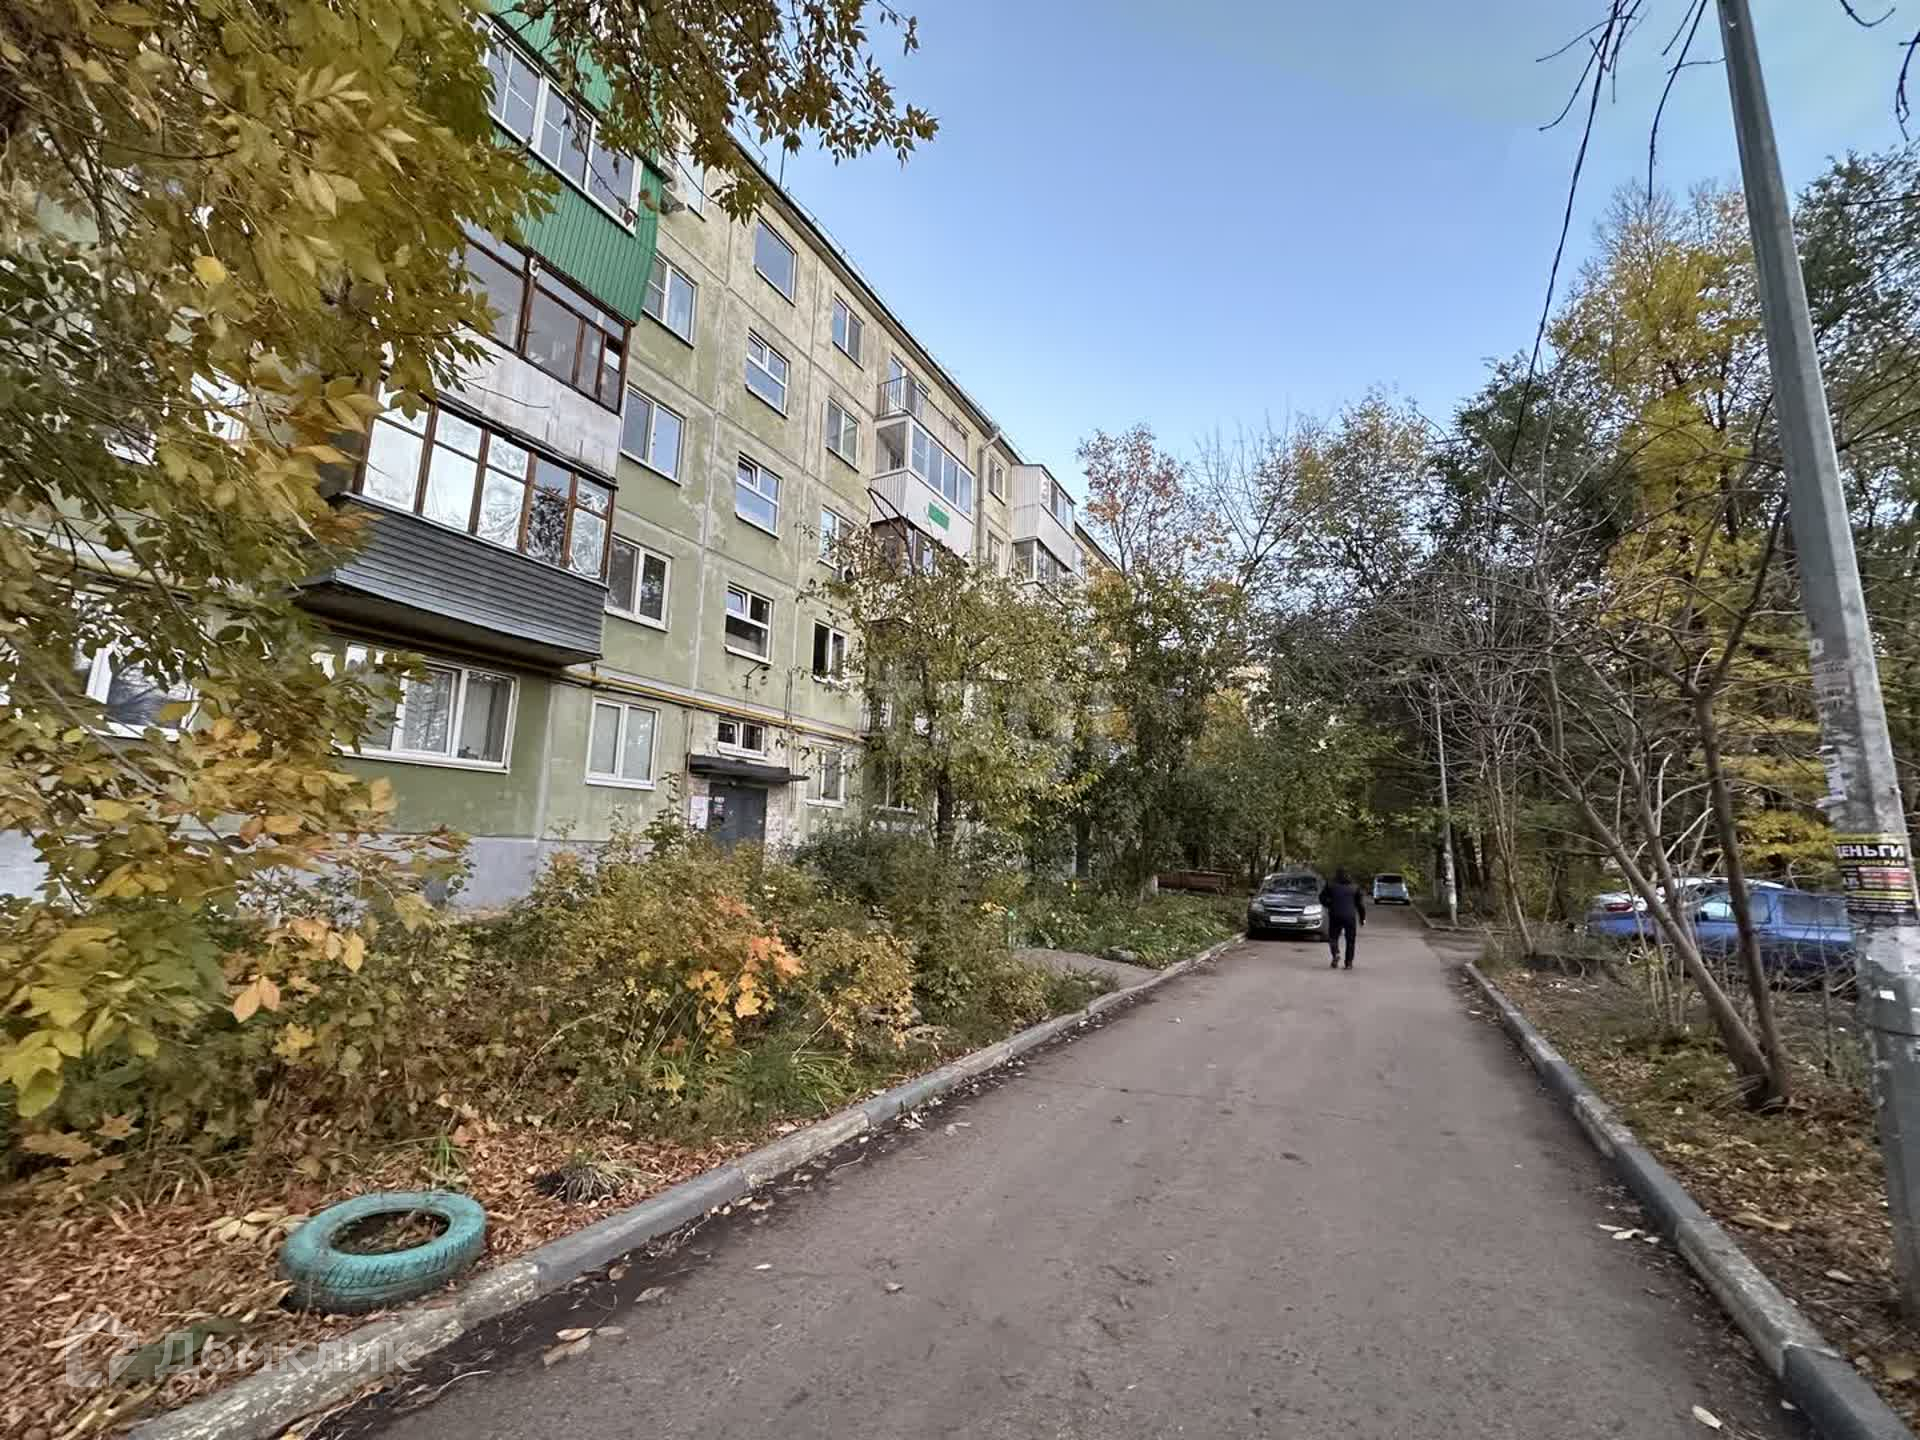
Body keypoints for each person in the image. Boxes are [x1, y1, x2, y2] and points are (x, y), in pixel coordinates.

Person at [1320, 867, 1366, 969]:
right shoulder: (1355, 887)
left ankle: (1336, 953)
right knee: (1350, 940)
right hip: (1350, 916)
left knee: (1333, 937)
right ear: (1349, 875)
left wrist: (1330, 904)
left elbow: (1322, 898)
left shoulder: (1330, 885)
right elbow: (1360, 905)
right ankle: (1348, 963)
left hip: (1335, 914)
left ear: (1336, 874)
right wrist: (1362, 918)